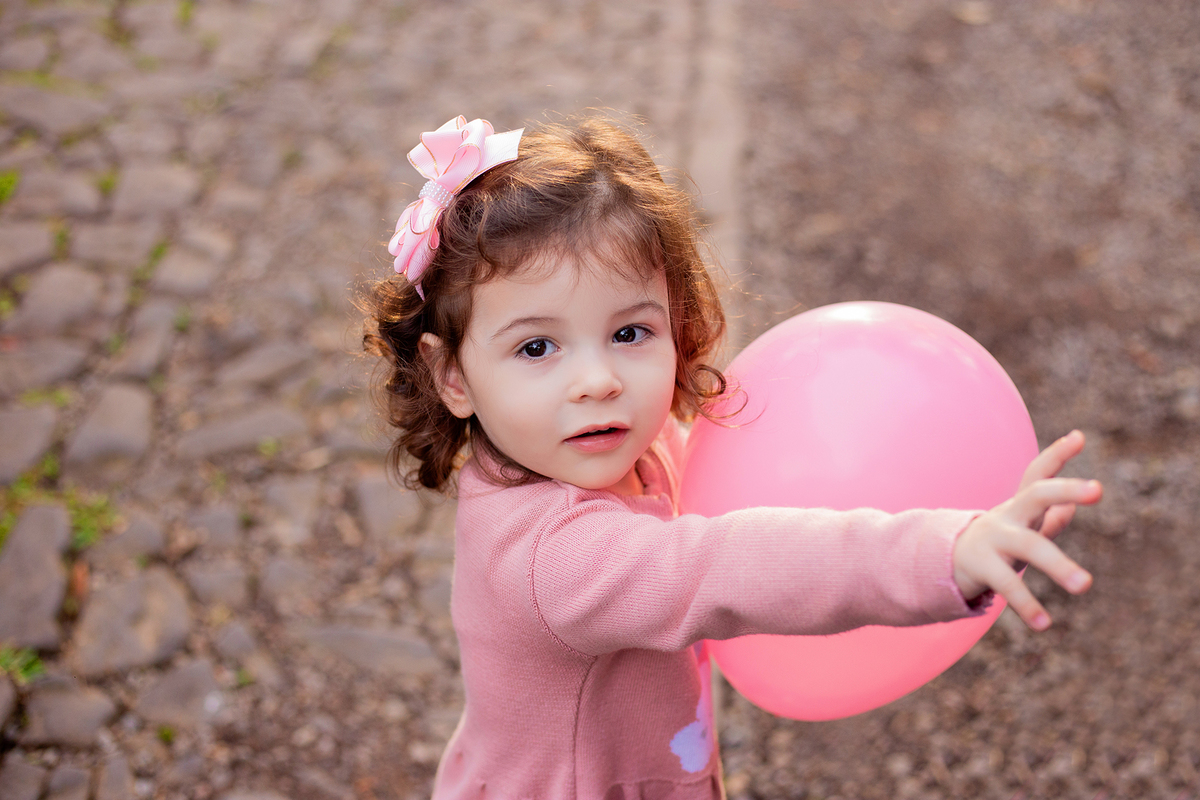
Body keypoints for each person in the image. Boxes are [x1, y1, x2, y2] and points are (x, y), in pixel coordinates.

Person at [362, 115, 1102, 800]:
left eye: (629, 333)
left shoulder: (629, 442)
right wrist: (945, 550)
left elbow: (772, 497)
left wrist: (965, 508)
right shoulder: (551, 560)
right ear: (451, 375)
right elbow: (729, 563)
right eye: (536, 347)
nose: (598, 380)